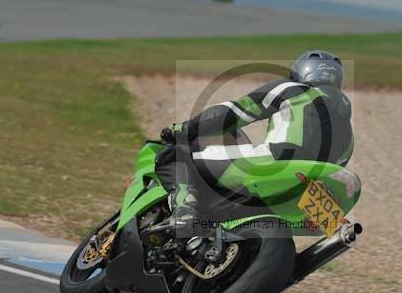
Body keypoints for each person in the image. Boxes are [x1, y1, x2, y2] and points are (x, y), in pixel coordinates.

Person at [144, 50, 354, 240]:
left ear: (303, 71)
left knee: (177, 156)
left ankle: (185, 213)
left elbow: (231, 114)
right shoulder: (349, 135)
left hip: (275, 162)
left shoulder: (293, 89)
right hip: (306, 191)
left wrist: (183, 129)